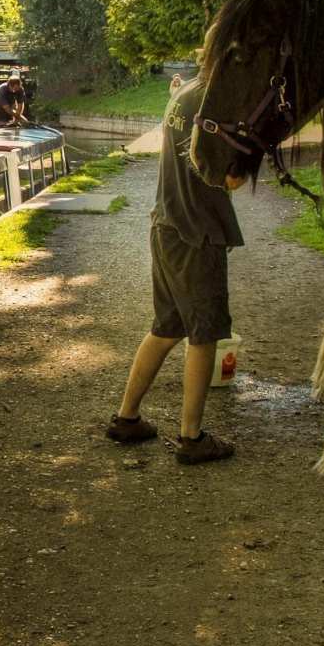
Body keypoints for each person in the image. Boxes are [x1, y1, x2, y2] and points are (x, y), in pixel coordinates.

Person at [107, 75, 246, 464]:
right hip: (197, 233)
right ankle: (192, 437)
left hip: (165, 224)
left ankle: (127, 417)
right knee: (203, 335)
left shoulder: (185, 92)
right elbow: (230, 178)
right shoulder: (217, 103)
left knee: (166, 327)